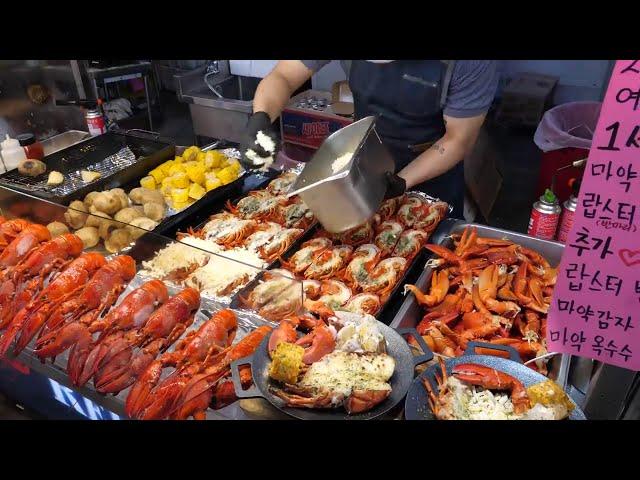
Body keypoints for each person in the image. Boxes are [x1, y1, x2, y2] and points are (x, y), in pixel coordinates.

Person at [240, 60, 499, 217]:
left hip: (432, 172)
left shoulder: (471, 63)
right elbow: (283, 76)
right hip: (365, 160)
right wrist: (261, 117)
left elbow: (458, 140)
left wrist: (402, 181)